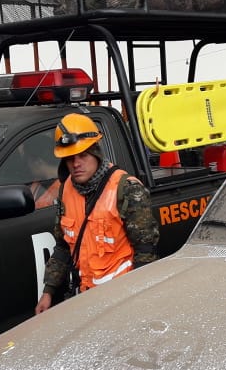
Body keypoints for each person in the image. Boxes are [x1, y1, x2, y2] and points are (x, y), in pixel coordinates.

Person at [35, 113, 159, 314]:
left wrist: (137, 302)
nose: (76, 164)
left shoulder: (127, 189)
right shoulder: (66, 190)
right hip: (86, 299)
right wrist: (48, 292)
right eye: (70, 158)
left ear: (96, 153)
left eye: (83, 155)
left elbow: (146, 253)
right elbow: (63, 247)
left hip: (122, 300)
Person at [24, 134, 62, 209]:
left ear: (38, 162)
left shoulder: (65, 188)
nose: (27, 166)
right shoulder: (38, 181)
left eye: (27, 161)